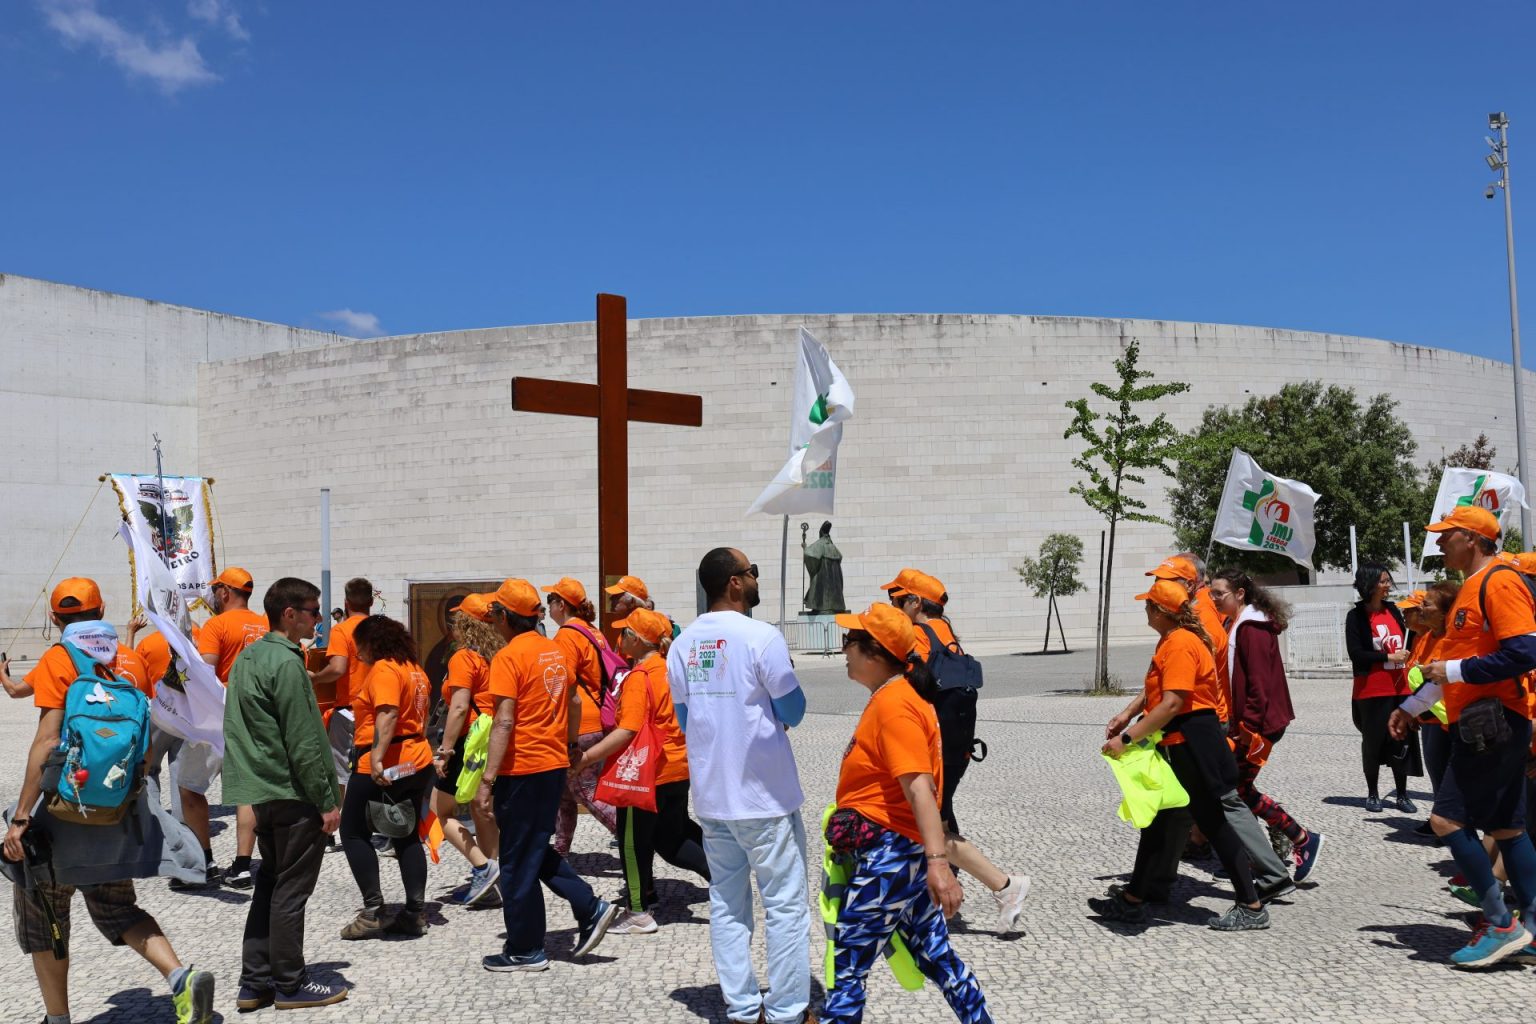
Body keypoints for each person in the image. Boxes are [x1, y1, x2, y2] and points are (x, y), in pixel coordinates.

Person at [3, 577, 216, 1024]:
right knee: (119, 908)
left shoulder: (60, 657)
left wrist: (21, 816)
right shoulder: (130, 659)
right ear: (101, 612)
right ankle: (180, 978)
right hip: (117, 810)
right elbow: (148, 742)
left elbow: (46, 741)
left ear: (55, 618)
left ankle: (57, 1019)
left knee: (44, 912)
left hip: (63, 812)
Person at [821, 603, 992, 1023]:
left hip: (889, 856)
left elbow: (920, 788)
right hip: (900, 853)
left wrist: (939, 863)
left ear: (874, 653)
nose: (844, 650)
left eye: (850, 641)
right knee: (936, 955)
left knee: (849, 967)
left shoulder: (895, 704)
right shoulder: (896, 696)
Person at [668, 548, 813, 1024]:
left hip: (713, 797)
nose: (755, 579)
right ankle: (789, 1010)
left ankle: (744, 1007)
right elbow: (793, 710)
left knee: (727, 904)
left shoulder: (682, 644)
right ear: (734, 582)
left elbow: (686, 719)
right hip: (764, 798)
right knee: (785, 906)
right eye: (752, 572)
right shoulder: (762, 636)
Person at [1390, 506, 1536, 967]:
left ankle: (1499, 923)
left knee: (1446, 821)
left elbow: (1525, 651)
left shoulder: (1499, 581)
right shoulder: (1476, 586)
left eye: (1446, 535)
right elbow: (1458, 665)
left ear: (1472, 539)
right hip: (1486, 720)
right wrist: (1410, 707)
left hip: (1493, 722)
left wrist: (1450, 669)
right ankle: (1530, 926)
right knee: (1509, 829)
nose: (1438, 543)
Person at [1091, 578, 1269, 931]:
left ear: (1160, 611)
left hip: (1193, 741)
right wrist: (1129, 714)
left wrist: (1126, 739)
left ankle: (1251, 905)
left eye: (1148, 605)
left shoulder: (1181, 643)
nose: (1145, 609)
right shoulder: (1174, 640)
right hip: (1184, 740)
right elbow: (1159, 693)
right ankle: (1134, 899)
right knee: (1162, 820)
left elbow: (1173, 702)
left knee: (1214, 822)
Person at [473, 579, 618, 972]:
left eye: (494, 614)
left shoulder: (508, 658)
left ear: (504, 617)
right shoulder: (553, 651)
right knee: (535, 848)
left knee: (518, 860)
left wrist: (487, 780)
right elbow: (572, 700)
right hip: (553, 764)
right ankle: (589, 907)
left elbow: (503, 722)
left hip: (522, 769)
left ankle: (524, 949)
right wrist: (571, 745)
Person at [222, 577, 347, 1010]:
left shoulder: (246, 658)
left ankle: (254, 983)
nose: (318, 619)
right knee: (291, 891)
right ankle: (290, 984)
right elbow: (304, 739)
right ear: (290, 614)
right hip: (294, 792)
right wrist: (327, 801)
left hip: (262, 789)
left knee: (270, 885)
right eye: (313, 611)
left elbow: (238, 729)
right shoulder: (288, 663)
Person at [887, 569, 1028, 933]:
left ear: (914, 602)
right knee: (939, 821)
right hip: (957, 751)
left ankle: (1006, 886)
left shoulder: (918, 636)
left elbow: (906, 693)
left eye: (896, 599)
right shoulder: (949, 636)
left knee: (932, 828)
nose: (893, 605)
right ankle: (939, 899)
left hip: (930, 751)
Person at [1149, 555, 1295, 899]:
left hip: (1199, 722)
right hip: (1195, 721)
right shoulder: (1193, 618)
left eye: (1164, 581)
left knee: (1225, 799)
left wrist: (1247, 728)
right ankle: (1153, 881)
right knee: (1189, 802)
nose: (1156, 588)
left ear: (1188, 584)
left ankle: (1275, 864)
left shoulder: (1197, 622)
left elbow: (1189, 684)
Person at [578, 607, 710, 934]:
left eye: (624, 633)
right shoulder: (671, 670)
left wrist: (585, 758)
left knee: (632, 842)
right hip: (678, 767)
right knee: (672, 836)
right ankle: (724, 879)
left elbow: (627, 730)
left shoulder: (640, 678)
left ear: (635, 640)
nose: (619, 638)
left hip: (646, 774)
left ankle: (638, 911)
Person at [1208, 568, 1325, 881]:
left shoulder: (1252, 627)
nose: (1214, 598)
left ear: (1240, 594)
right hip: (1249, 723)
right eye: (1213, 593)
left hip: (1259, 725)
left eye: (1220, 593)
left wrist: (1248, 729)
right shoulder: (1238, 623)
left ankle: (1299, 838)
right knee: (1236, 788)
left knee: (1235, 789)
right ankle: (1267, 847)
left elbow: (1259, 684)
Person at [338, 614, 435, 939]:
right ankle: (414, 913)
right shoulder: (415, 670)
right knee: (405, 834)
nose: (357, 653)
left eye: (359, 646)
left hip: (383, 760)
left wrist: (377, 757)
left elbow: (388, 712)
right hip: (417, 759)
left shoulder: (384, 669)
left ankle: (373, 911)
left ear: (372, 642)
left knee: (352, 831)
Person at [192, 567, 268, 889]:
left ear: (225, 593)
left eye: (216, 590)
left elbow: (205, 673)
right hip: (259, 713)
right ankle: (241, 865)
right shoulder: (266, 624)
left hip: (221, 714)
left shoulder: (217, 624)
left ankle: (204, 861)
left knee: (188, 786)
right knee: (247, 790)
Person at [431, 593, 503, 906]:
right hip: (493, 737)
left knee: (440, 810)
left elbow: (459, 707)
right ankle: (495, 877)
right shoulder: (498, 653)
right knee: (483, 810)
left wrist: (445, 749)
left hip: (468, 739)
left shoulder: (463, 658)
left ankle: (482, 867)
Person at [546, 577, 619, 857]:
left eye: (549, 603)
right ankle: (560, 854)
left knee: (588, 791)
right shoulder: (592, 632)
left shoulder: (566, 636)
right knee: (564, 795)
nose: (548, 609)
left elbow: (565, 688)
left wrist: (568, 738)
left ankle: (634, 842)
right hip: (599, 717)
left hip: (580, 724)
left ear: (561, 605)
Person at [1346, 563, 1422, 812]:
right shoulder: (1355, 616)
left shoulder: (1394, 611)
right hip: (1372, 690)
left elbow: (1407, 640)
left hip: (1400, 688)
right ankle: (1373, 793)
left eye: (1388, 580)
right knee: (1373, 743)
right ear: (1369, 584)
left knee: (1402, 741)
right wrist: (1388, 658)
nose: (1388, 585)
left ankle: (1402, 794)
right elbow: (1356, 654)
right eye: (1383, 581)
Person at [311, 578, 376, 800]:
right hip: (380, 709)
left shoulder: (342, 631)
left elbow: (337, 669)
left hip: (350, 710)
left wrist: (316, 679)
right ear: (371, 601)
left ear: (346, 602)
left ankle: (340, 821)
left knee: (340, 773)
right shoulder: (383, 628)